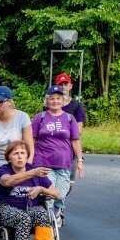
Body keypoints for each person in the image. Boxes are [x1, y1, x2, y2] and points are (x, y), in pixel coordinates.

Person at [0, 141, 60, 240]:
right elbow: (7, 182)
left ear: (27, 156)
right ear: (9, 157)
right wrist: (32, 173)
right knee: (23, 219)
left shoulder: (36, 171)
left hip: (31, 208)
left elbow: (56, 194)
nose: (19, 157)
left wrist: (41, 189)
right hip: (8, 209)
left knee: (43, 215)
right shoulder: (4, 170)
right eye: (15, 153)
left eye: (22, 153)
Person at [32, 85, 84, 226]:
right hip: (43, 161)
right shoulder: (40, 117)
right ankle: (47, 219)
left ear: (63, 100)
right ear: (47, 101)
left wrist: (79, 161)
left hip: (63, 162)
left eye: (58, 98)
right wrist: (30, 158)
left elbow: (75, 140)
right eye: (52, 99)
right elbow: (32, 139)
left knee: (61, 192)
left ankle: (58, 211)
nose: (55, 101)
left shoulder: (69, 118)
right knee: (49, 193)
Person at [0, 86, 34, 185]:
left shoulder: (23, 117)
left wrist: (28, 164)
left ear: (9, 102)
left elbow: (29, 145)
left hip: (18, 165)